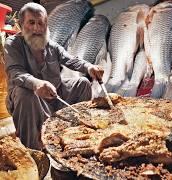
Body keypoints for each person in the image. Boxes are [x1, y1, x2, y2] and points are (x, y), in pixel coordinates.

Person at [4, 3, 104, 150]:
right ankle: (33, 149)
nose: (37, 28)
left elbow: (72, 60)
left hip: (55, 95)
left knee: (82, 83)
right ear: (20, 24)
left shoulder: (52, 46)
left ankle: (75, 132)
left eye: (41, 23)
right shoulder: (13, 44)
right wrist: (36, 84)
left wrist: (89, 67)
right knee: (25, 93)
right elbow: (15, 72)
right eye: (31, 22)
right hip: (30, 100)